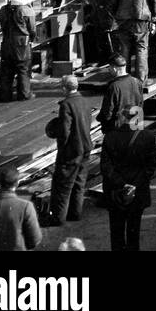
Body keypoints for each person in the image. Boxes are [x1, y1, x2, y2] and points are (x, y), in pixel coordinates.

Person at [100, 105, 156, 251]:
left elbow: (105, 167)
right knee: (134, 232)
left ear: (123, 117)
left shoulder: (110, 137)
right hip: (137, 193)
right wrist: (134, 185)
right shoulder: (148, 137)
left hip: (115, 192)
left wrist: (122, 183)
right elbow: (150, 168)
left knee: (116, 233)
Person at [46, 75, 93, 226]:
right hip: (85, 147)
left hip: (71, 151)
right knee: (79, 182)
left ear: (64, 88)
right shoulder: (85, 101)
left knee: (63, 185)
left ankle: (58, 218)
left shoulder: (66, 105)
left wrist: (61, 148)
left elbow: (65, 131)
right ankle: (75, 214)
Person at [112, 0, 156, 86]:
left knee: (124, 48)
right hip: (141, 16)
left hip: (123, 17)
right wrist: (154, 14)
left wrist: (115, 14)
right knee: (141, 48)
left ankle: (123, 80)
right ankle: (141, 81)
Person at [0, 0, 35, 102]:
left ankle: (4, 95)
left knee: (6, 70)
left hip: (7, 43)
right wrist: (31, 39)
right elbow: (32, 29)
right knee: (23, 69)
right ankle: (24, 94)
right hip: (22, 45)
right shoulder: (26, 10)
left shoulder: (3, 10)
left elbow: (2, 26)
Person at [98, 54, 144, 134]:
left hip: (119, 130)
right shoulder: (137, 82)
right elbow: (140, 104)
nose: (109, 70)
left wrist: (103, 124)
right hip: (135, 127)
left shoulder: (114, 86)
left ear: (115, 68)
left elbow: (108, 112)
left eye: (109, 67)